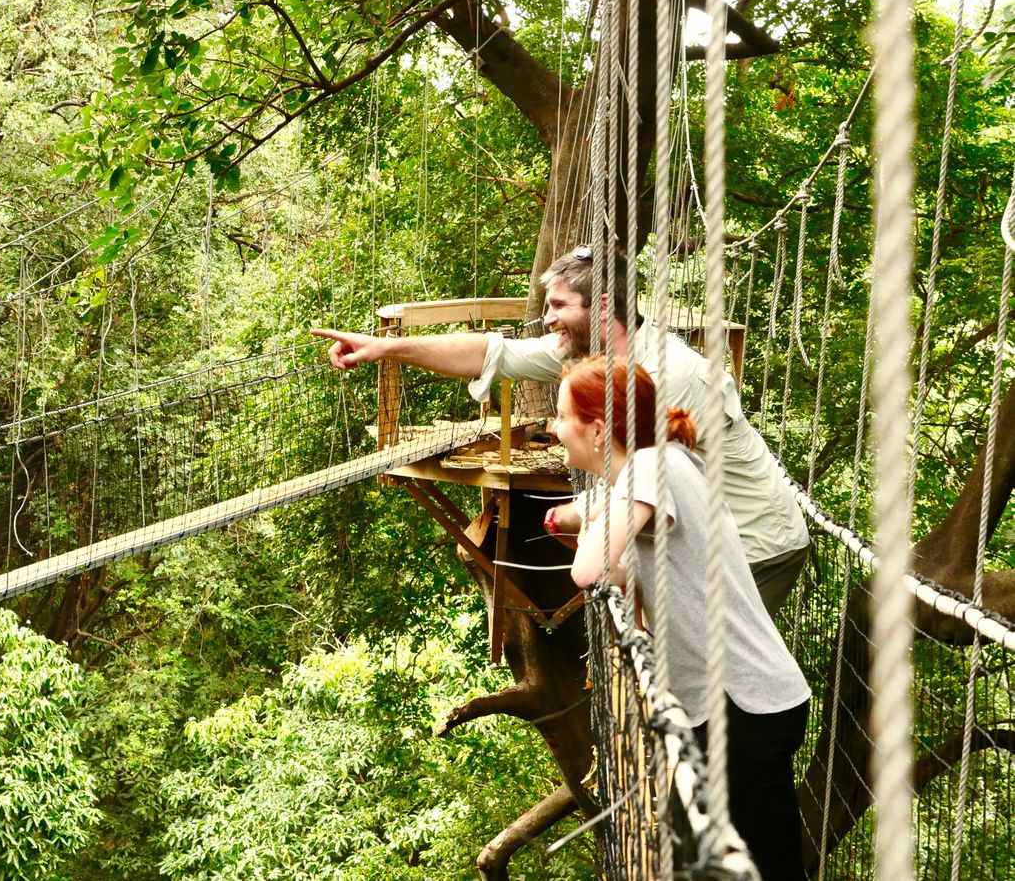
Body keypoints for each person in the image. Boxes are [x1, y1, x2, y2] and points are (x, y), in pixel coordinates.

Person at [311, 245, 811, 616]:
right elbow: (490, 354)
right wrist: (383, 347)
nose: (546, 319)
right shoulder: (595, 356)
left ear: (603, 306)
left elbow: (654, 481)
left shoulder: (666, 375)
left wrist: (571, 515)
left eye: (558, 306)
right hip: (701, 530)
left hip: (755, 544)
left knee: (700, 683)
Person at [556, 356, 810, 881]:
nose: (554, 430)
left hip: (744, 708)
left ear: (598, 428)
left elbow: (588, 570)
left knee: (760, 868)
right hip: (732, 706)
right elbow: (632, 570)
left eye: (561, 417)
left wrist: (588, 522)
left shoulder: (653, 467)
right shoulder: (666, 460)